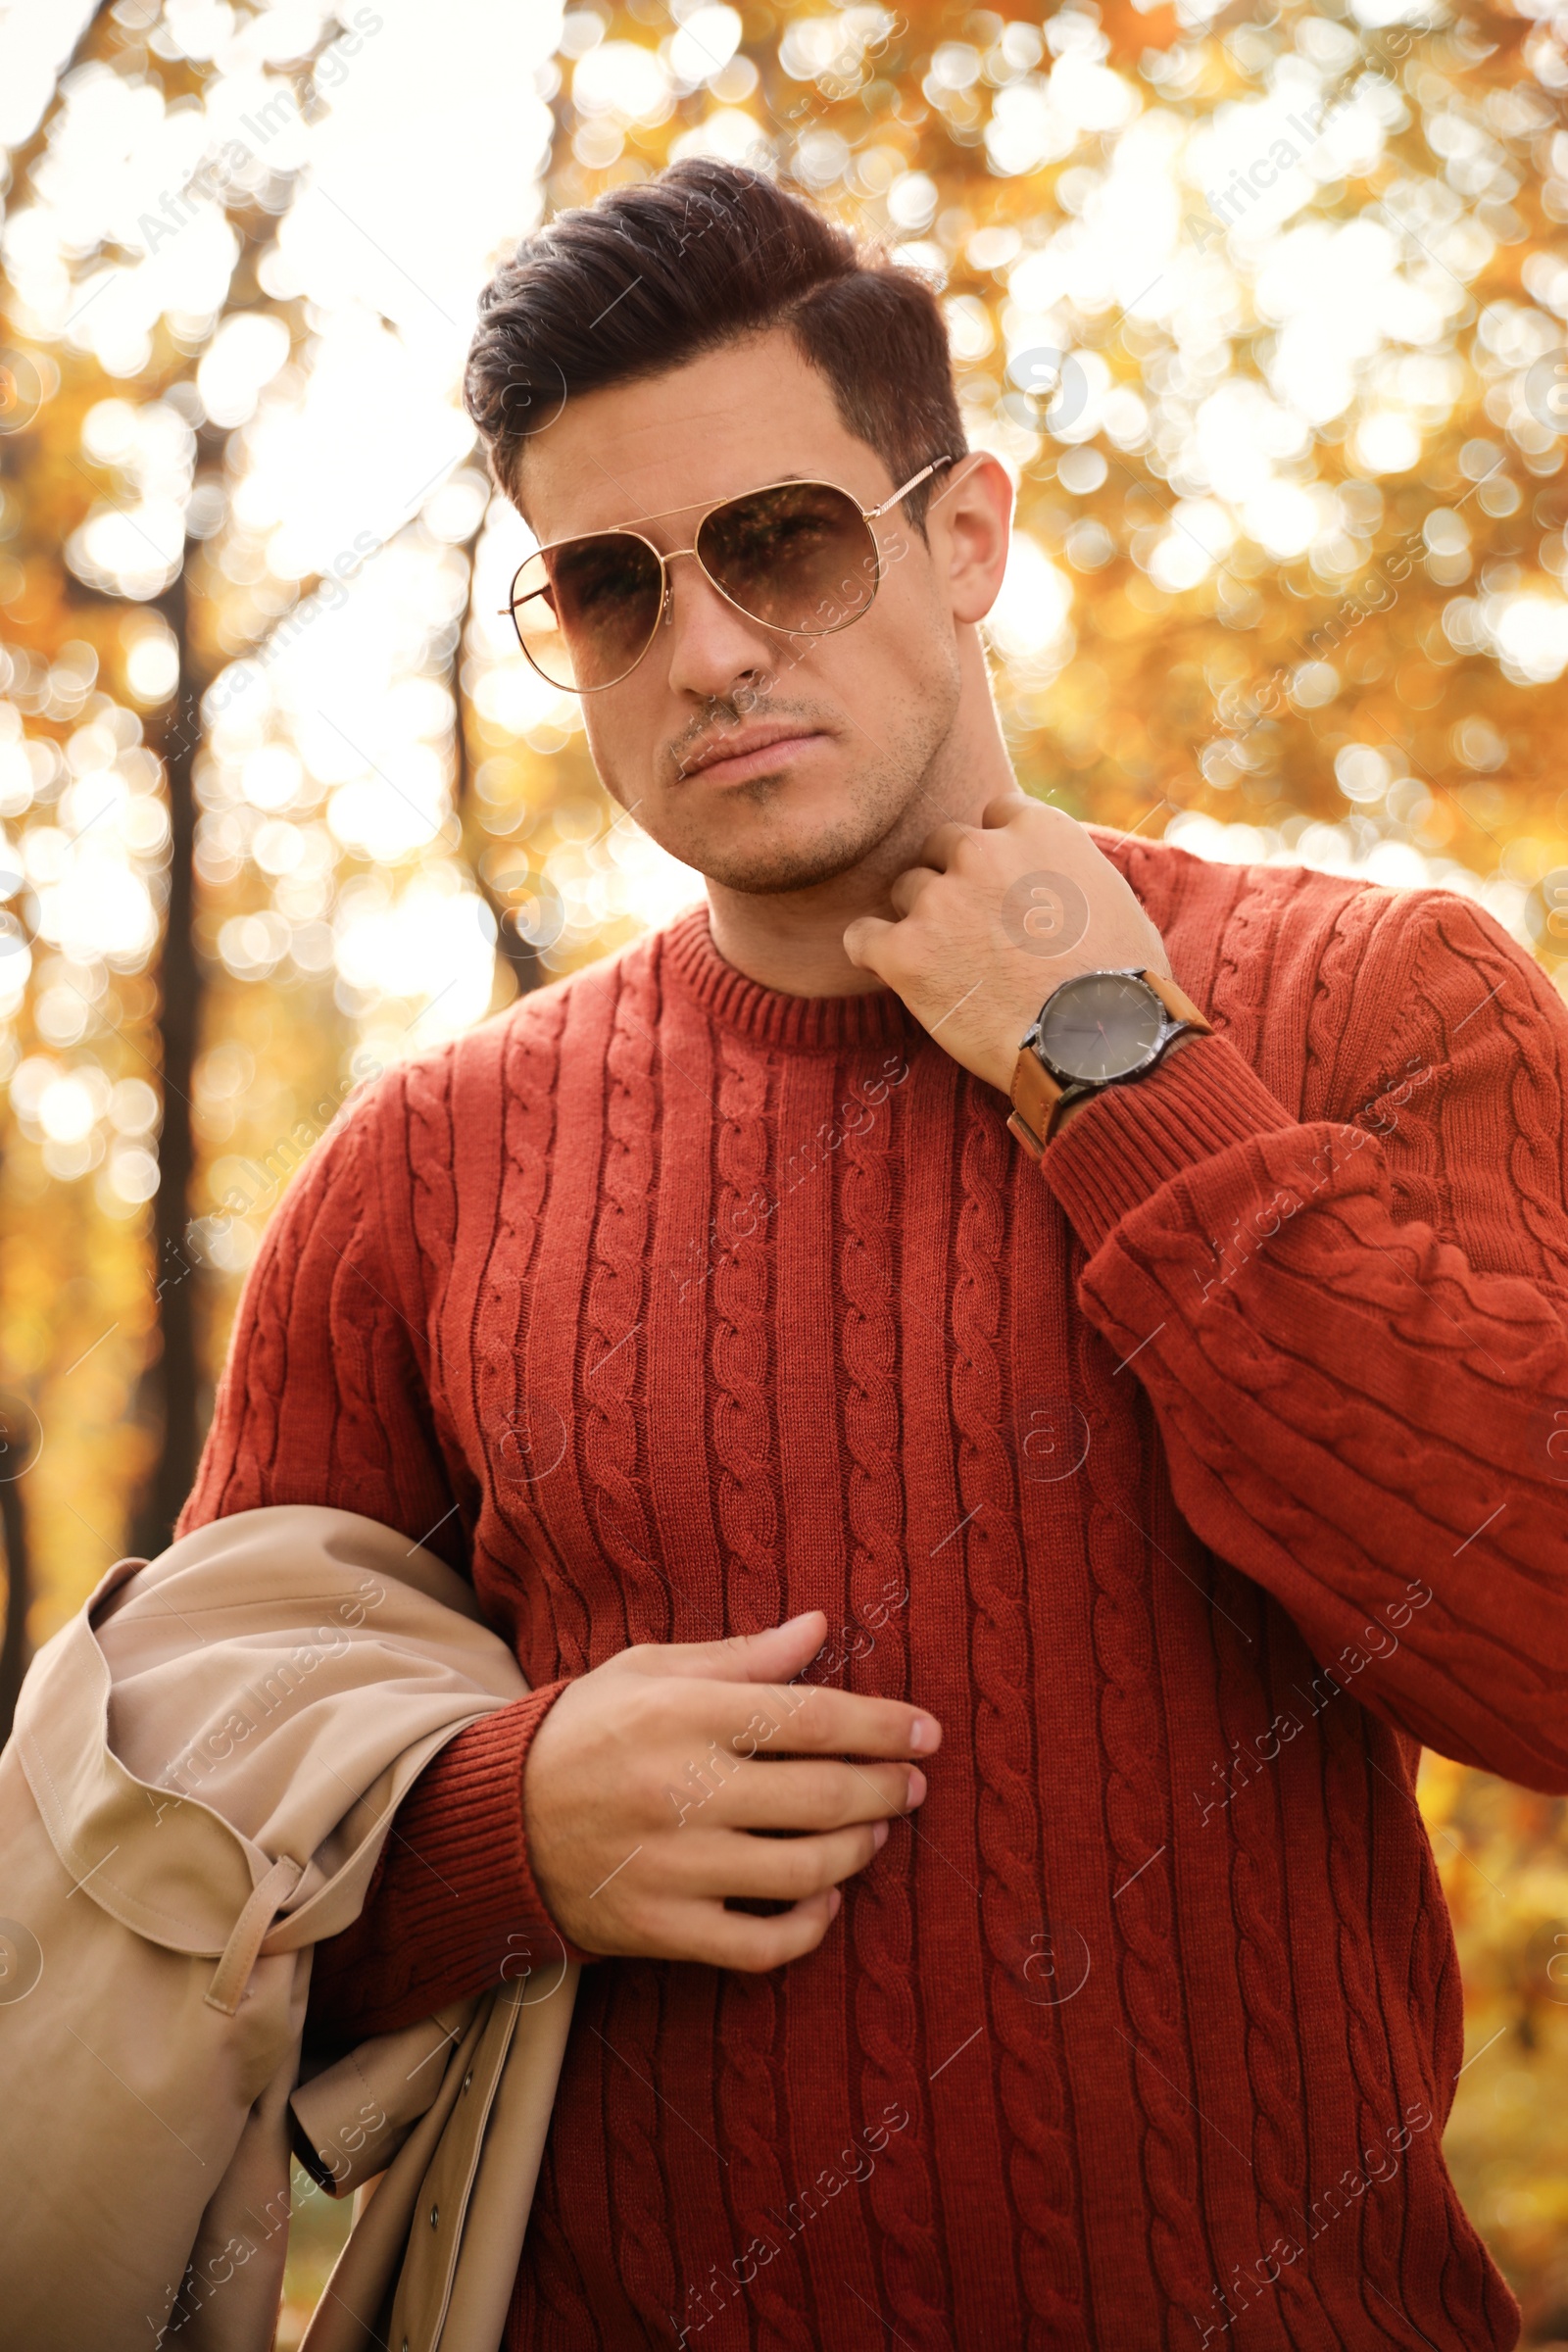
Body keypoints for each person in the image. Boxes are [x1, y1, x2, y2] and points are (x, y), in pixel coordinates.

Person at [181, 160, 1567, 2349]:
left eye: (783, 544)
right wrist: (491, 1832)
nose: (709, 650)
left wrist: (1115, 1075)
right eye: (610, 591)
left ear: (963, 535)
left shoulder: (1373, 1002)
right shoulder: (423, 1171)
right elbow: (175, 1858)